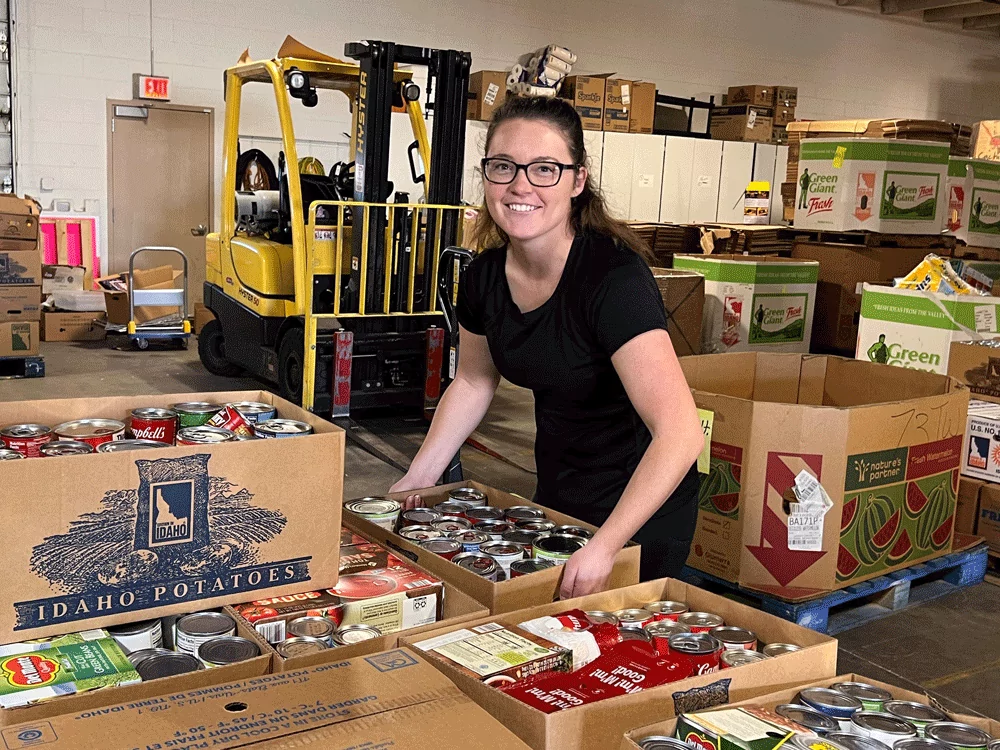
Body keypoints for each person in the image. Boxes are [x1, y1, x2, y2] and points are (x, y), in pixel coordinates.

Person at [389, 96, 703, 599]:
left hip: (639, 512)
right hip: (557, 496)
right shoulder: (484, 278)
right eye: (503, 166)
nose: (520, 185)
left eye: (544, 169)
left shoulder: (611, 279)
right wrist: (418, 477)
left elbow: (681, 434)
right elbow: (473, 380)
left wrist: (607, 545)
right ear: (486, 175)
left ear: (577, 181)